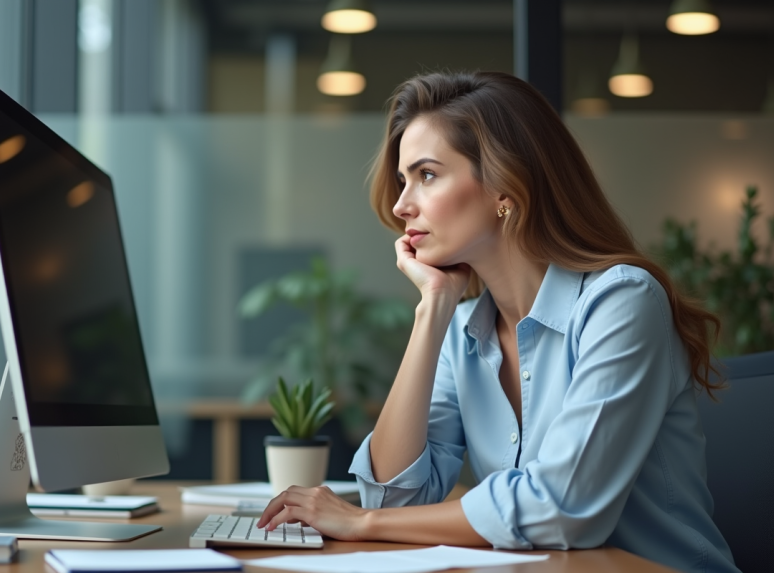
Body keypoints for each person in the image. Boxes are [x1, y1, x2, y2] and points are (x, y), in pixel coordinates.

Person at [257, 71, 739, 573]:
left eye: (426, 175)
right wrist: (432, 310)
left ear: (505, 186)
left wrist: (358, 524)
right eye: (404, 180)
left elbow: (560, 509)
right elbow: (395, 501)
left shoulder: (621, 302)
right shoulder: (461, 330)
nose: (402, 205)